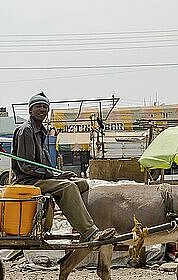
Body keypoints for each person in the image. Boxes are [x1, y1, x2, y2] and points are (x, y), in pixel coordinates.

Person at [11, 92, 116, 242]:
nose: (42, 110)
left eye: (45, 107)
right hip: (28, 181)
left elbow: (42, 165)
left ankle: (80, 224)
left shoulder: (41, 132)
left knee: (82, 183)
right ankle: (90, 232)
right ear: (30, 110)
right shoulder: (26, 131)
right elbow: (26, 166)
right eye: (38, 107)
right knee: (68, 187)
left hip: (40, 178)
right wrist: (54, 176)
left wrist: (56, 174)